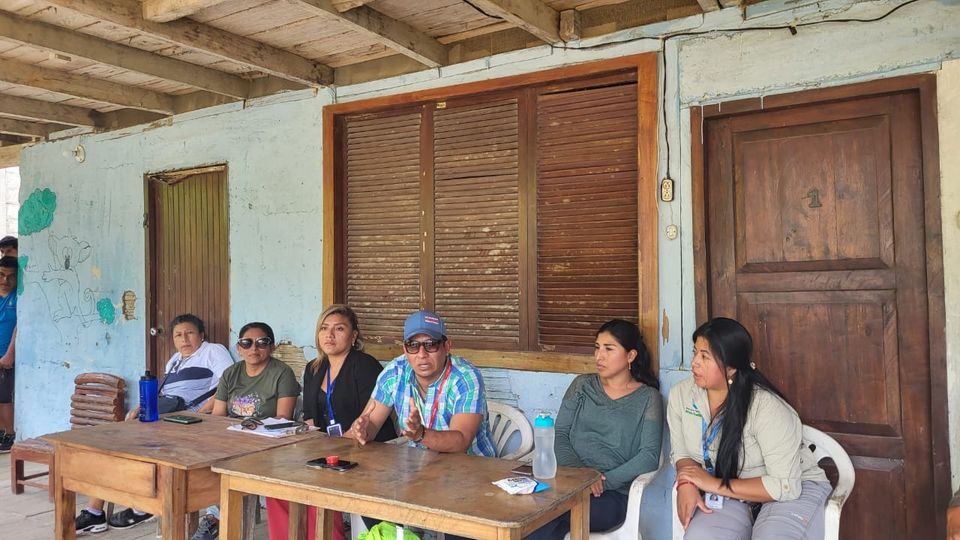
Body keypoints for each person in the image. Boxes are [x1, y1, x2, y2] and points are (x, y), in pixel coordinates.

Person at [668, 317, 832, 540]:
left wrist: (712, 484)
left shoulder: (766, 406)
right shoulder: (682, 395)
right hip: (732, 491)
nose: (694, 362)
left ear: (731, 368)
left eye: (705, 356)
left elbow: (784, 486)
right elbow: (682, 453)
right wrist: (687, 481)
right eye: (694, 352)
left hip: (792, 488)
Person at [75, 313, 234, 534]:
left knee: (141, 449)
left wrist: (200, 412)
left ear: (202, 335)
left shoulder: (213, 351)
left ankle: (143, 506)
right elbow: (164, 396)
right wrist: (141, 407)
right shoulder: (175, 360)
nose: (184, 339)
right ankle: (95, 512)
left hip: (190, 421)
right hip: (167, 417)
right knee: (111, 446)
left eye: (189, 333)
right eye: (178, 335)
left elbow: (228, 385)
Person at [266, 305, 396, 540]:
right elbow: (310, 417)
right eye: (324, 328)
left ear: (353, 336)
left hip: (367, 449)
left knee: (320, 484)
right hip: (326, 449)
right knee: (279, 485)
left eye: (339, 329)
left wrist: (331, 447)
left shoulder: (365, 365)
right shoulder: (314, 368)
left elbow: (368, 419)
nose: (329, 335)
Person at [526, 319, 663, 540]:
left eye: (609, 349)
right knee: (528, 511)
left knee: (544, 515)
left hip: (610, 495)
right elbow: (560, 434)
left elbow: (649, 456)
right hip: (567, 483)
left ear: (630, 356)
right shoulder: (581, 385)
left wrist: (602, 482)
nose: (599, 356)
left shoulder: (648, 398)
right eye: (597, 347)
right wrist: (584, 477)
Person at [193, 322, 300, 540]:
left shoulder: (282, 373)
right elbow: (219, 415)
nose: (254, 348)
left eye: (262, 342)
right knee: (196, 460)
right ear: (239, 347)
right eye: (247, 343)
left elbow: (283, 418)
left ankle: (216, 520)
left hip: (265, 443)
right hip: (230, 439)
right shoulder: (231, 373)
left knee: (226, 464)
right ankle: (212, 515)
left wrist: (248, 429)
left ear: (272, 347)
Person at [347, 309, 495, 456]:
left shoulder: (465, 377)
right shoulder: (395, 372)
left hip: (470, 465)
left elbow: (462, 442)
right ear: (405, 349)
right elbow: (372, 424)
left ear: (446, 347)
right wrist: (362, 430)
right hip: (420, 464)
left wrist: (421, 434)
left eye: (431, 344)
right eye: (413, 345)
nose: (422, 354)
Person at [0, 256, 16, 453]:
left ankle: (9, 434)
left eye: (11, 276)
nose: (5, 280)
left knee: (4, 397)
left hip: (6, 356)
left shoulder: (18, 297)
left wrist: (9, 354)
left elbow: (19, 327)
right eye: (2, 275)